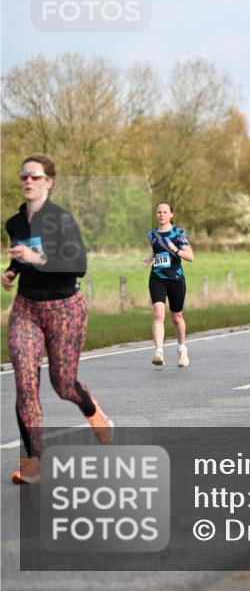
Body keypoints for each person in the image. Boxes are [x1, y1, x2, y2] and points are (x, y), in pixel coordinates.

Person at [4, 155, 113, 484]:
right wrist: (12, 270)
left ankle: (91, 408)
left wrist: (36, 258)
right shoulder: (15, 223)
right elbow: (23, 255)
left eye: (35, 176)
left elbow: (78, 265)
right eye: (24, 176)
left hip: (65, 307)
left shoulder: (62, 221)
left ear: (49, 182)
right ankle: (33, 462)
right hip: (26, 309)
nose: (28, 180)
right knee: (25, 384)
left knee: (63, 384)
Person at [142, 202, 194, 367]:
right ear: (156, 214)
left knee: (176, 317)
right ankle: (159, 352)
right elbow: (157, 250)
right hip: (157, 277)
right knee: (158, 313)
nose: (162, 215)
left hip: (175, 278)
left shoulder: (178, 234)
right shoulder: (152, 234)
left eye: (165, 212)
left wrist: (176, 250)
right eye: (159, 212)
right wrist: (148, 260)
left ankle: (182, 348)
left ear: (171, 215)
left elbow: (190, 257)